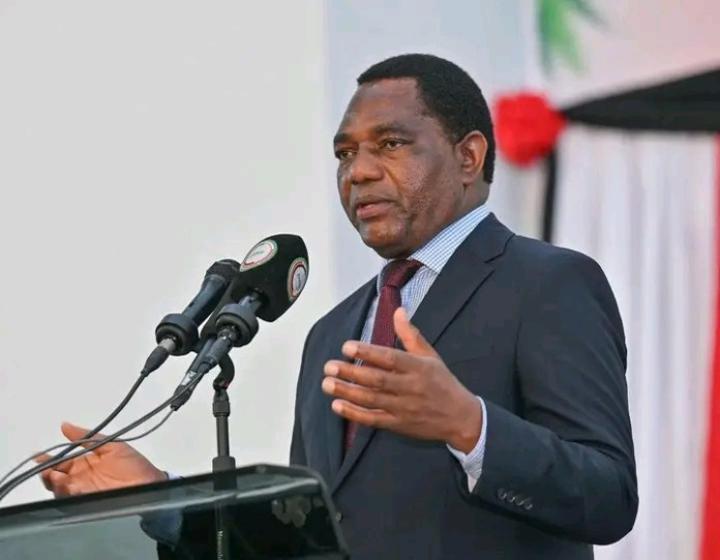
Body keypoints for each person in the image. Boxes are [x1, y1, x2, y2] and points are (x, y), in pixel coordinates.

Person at [40, 54, 638, 559]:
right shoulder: (331, 334)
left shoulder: (548, 283)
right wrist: (161, 502)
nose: (359, 173)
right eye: (345, 154)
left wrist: (470, 425)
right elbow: (310, 538)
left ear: (468, 156)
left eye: (391, 144)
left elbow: (609, 496)